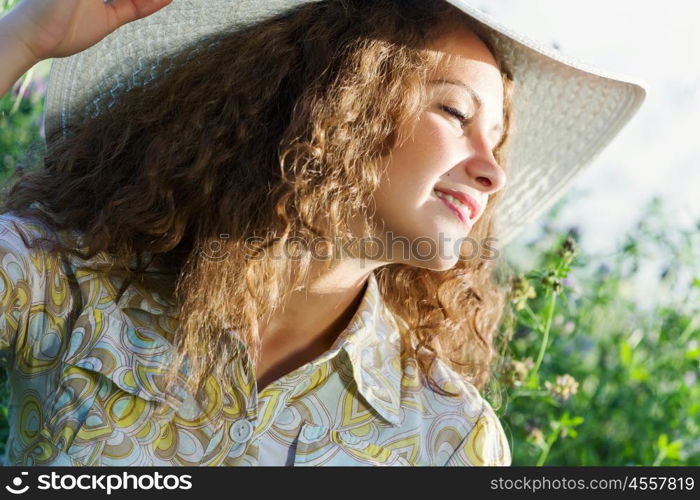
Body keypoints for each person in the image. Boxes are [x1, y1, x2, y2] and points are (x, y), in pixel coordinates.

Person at [0, 0, 645, 466]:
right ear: (342, 101)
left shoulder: (450, 439)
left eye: (500, 142)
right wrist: (24, 38)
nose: (493, 172)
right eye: (455, 112)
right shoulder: (73, 282)